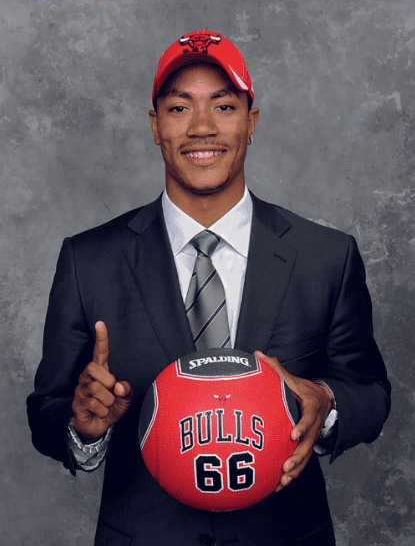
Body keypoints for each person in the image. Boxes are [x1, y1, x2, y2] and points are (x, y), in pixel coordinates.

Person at [27, 30, 391, 546]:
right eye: (179, 108)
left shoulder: (325, 256)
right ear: (155, 125)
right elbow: (47, 409)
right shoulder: (90, 260)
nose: (202, 127)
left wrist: (326, 401)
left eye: (223, 106)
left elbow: (371, 393)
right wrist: (81, 426)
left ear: (251, 121)